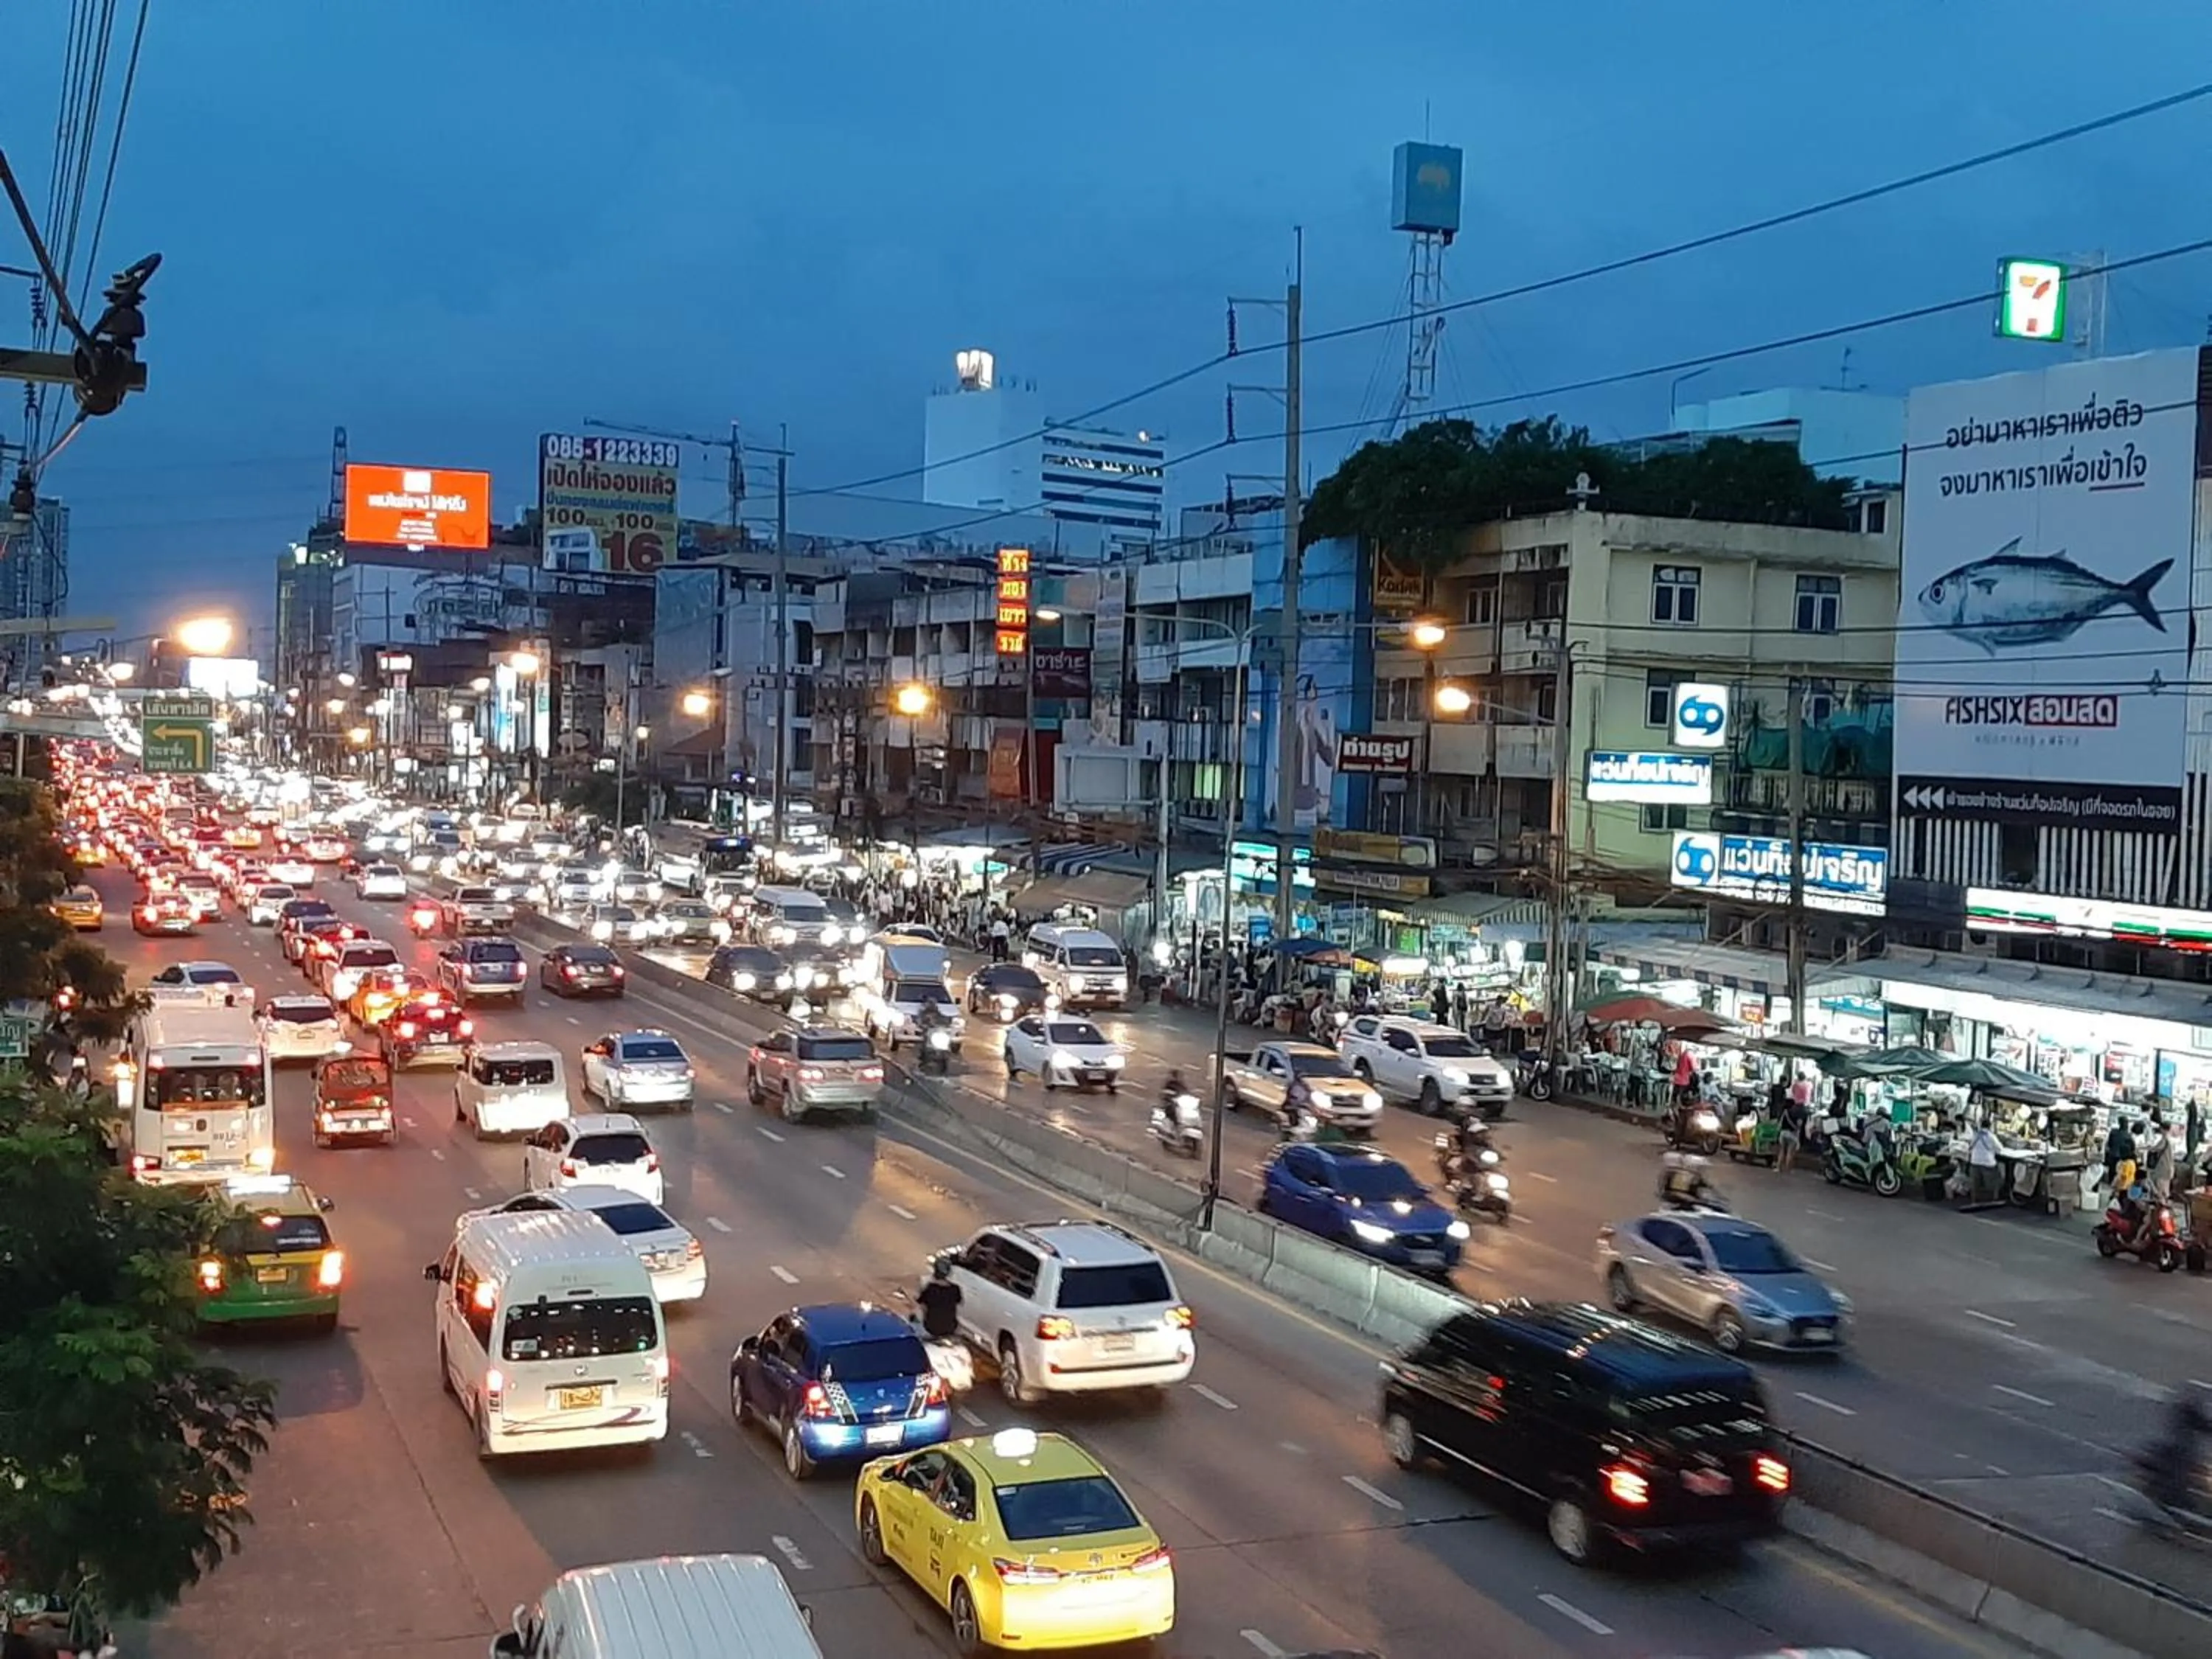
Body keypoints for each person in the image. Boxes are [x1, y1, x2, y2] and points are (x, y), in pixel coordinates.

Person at [917, 1259, 961, 1341]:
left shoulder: (930, 1288)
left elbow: (921, 1304)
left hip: (931, 1328)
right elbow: (958, 1302)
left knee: (917, 1313)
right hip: (951, 1327)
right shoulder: (955, 1289)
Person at [1966, 1119, 2002, 1205]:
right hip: (1988, 1163)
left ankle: (1975, 1201)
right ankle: (1991, 1201)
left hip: (1975, 1162)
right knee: (1991, 1183)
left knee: (1975, 1184)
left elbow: (1970, 1146)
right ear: (1990, 1126)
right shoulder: (1991, 1136)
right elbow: (2000, 1149)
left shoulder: (1976, 1135)